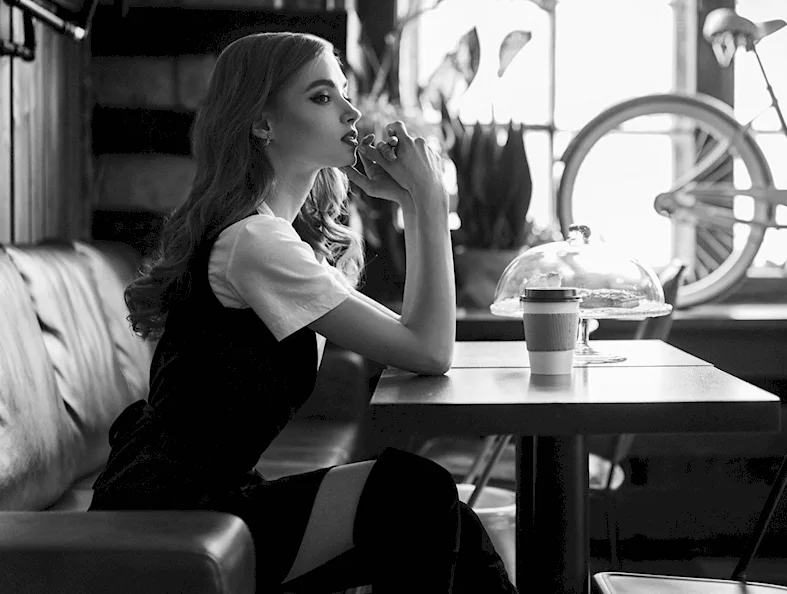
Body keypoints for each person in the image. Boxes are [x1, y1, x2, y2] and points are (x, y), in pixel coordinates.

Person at [88, 31, 518, 594]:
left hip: (202, 496)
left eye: (344, 93)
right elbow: (430, 350)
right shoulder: (256, 244)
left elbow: (416, 341)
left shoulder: (276, 238)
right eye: (321, 97)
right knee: (413, 495)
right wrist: (430, 201)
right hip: (169, 509)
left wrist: (416, 203)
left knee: (442, 512)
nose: (350, 111)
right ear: (262, 123)